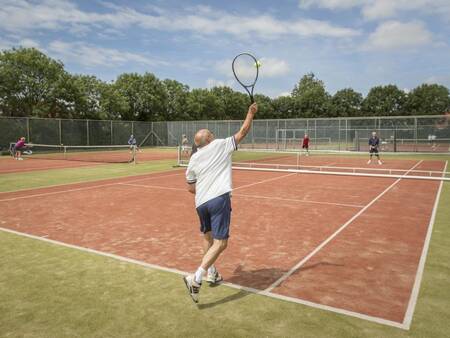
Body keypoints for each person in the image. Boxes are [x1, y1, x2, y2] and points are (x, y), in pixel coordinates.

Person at [183, 102, 258, 303]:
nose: (214, 135)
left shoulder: (193, 158)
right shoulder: (219, 145)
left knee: (207, 239)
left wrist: (205, 192)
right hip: (218, 199)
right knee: (221, 243)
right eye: (211, 133)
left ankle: (211, 273)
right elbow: (242, 132)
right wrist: (250, 113)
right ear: (208, 139)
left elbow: (190, 188)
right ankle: (196, 277)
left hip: (201, 203)